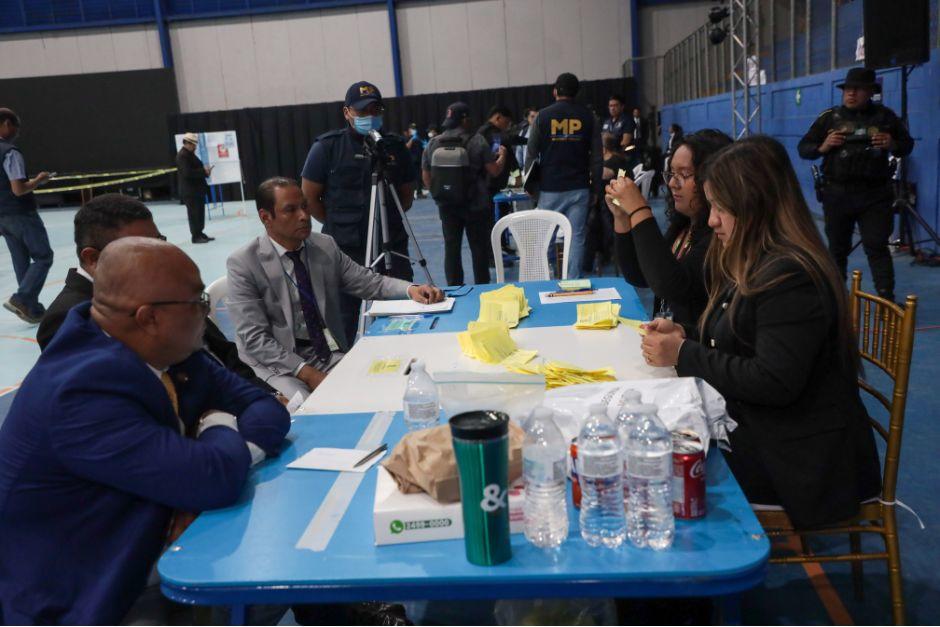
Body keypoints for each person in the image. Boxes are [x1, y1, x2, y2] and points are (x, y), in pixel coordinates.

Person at [0, 237, 291, 624]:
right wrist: (216, 422)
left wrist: (231, 456)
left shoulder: (160, 348)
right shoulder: (79, 393)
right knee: (272, 578)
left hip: (151, 532)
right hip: (93, 591)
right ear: (148, 318)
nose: (206, 314)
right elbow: (214, 477)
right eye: (198, 303)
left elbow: (265, 408)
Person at [640, 136, 881, 529]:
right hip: (775, 431)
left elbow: (772, 380)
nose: (712, 219)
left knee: (658, 476)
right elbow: (740, 339)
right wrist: (687, 332)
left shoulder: (789, 275)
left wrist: (684, 353)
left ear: (754, 207)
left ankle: (683, 586)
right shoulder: (759, 259)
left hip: (800, 459)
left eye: (721, 208)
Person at [35, 193, 277, 395]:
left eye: (159, 241)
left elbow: (220, 354)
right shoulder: (66, 321)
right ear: (93, 259)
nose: (160, 254)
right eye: (140, 248)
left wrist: (266, 396)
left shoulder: (158, 284)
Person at [228, 177, 442, 399]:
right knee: (305, 409)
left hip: (325, 353)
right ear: (266, 217)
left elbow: (367, 281)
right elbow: (255, 340)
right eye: (290, 210)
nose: (303, 216)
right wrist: (308, 374)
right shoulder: (244, 263)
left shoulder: (324, 245)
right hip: (275, 364)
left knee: (380, 390)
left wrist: (411, 290)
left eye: (304, 206)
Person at [301, 81, 416, 344]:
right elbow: (309, 197)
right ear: (347, 113)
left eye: (375, 110)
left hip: (391, 244)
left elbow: (406, 196)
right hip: (343, 250)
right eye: (362, 112)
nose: (369, 117)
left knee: (400, 319)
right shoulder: (327, 148)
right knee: (342, 323)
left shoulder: (395, 147)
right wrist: (335, 222)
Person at [798, 67, 913, 302]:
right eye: (848, 89)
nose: (851, 94)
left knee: (876, 246)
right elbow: (804, 148)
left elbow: (907, 145)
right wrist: (823, 147)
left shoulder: (885, 118)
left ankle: (886, 299)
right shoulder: (830, 118)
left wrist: (892, 144)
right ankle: (836, 300)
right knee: (837, 249)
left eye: (858, 89)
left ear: (870, 92)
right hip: (837, 193)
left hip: (875, 195)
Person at [606, 130, 733, 326]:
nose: (673, 183)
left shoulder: (720, 235)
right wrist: (622, 218)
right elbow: (640, 275)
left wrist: (639, 209)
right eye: (672, 173)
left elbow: (670, 285)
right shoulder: (683, 226)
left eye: (684, 174)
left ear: (712, 179)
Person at [526, 72, 602, 279]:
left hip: (550, 188)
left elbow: (531, 154)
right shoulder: (589, 117)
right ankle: (573, 282)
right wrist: (596, 188)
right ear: (577, 92)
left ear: (555, 91)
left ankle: (545, 279)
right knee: (576, 237)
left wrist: (531, 187)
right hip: (579, 187)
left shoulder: (542, 116)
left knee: (545, 238)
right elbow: (597, 157)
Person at [423, 102, 507, 286]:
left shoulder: (433, 143)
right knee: (478, 249)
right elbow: (493, 171)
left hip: (447, 206)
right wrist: (503, 157)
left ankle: (454, 289)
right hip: (476, 204)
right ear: (466, 120)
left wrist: (440, 195)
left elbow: (426, 176)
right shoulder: (477, 141)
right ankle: (481, 287)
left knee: (451, 248)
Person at [0, 107, 53, 324]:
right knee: (43, 256)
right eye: (15, 127)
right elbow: (18, 189)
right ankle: (21, 298)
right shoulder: (10, 152)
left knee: (21, 262)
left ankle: (32, 309)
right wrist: (39, 180)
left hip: (2, 216)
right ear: (6, 124)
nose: (16, 133)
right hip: (20, 212)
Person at [175, 132, 214, 244]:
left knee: (200, 213)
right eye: (193, 144)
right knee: (194, 214)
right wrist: (203, 171)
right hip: (190, 191)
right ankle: (195, 236)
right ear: (187, 143)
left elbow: (195, 171)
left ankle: (200, 232)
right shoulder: (182, 156)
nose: (195, 146)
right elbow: (187, 173)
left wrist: (206, 173)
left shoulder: (190, 154)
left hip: (197, 190)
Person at [405, 122, 426, 199]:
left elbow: (424, 148)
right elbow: (406, 147)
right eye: (412, 128)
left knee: (419, 177)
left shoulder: (419, 138)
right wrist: (412, 139)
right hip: (411, 161)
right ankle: (411, 195)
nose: (413, 130)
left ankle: (419, 192)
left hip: (419, 160)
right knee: (411, 178)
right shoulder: (408, 138)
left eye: (414, 129)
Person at [515, 106, 538, 171]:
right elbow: (519, 154)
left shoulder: (546, 132)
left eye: (537, 117)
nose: (535, 119)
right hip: (527, 170)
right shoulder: (523, 132)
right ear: (527, 118)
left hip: (543, 170)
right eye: (532, 117)